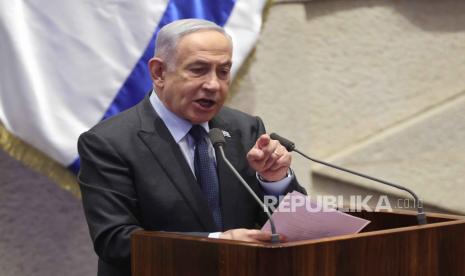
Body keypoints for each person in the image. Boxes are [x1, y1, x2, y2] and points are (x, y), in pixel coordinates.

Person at [78, 19, 306, 276]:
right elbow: (116, 241)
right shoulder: (109, 142)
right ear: (159, 73)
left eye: (223, 71)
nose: (213, 84)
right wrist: (215, 244)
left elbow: (289, 228)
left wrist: (274, 180)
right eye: (199, 70)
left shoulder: (245, 128)